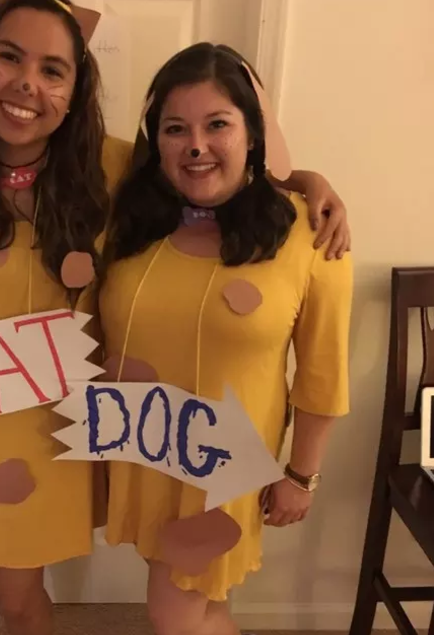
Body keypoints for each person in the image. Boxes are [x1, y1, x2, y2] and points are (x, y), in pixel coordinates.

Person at [0, 0, 348, 635]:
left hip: (44, 422)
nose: (28, 84)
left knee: (22, 592)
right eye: (8, 56)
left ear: (74, 92)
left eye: (53, 69)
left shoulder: (107, 168)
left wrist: (310, 182)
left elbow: (207, 164)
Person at [100, 43, 353, 635]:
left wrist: (301, 476)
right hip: (142, 453)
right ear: (155, 141)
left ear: (254, 133)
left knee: (174, 614)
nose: (196, 145)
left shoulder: (309, 237)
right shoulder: (131, 221)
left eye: (218, 124)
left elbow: (323, 372)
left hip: (225, 470)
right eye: (175, 128)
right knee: (202, 605)